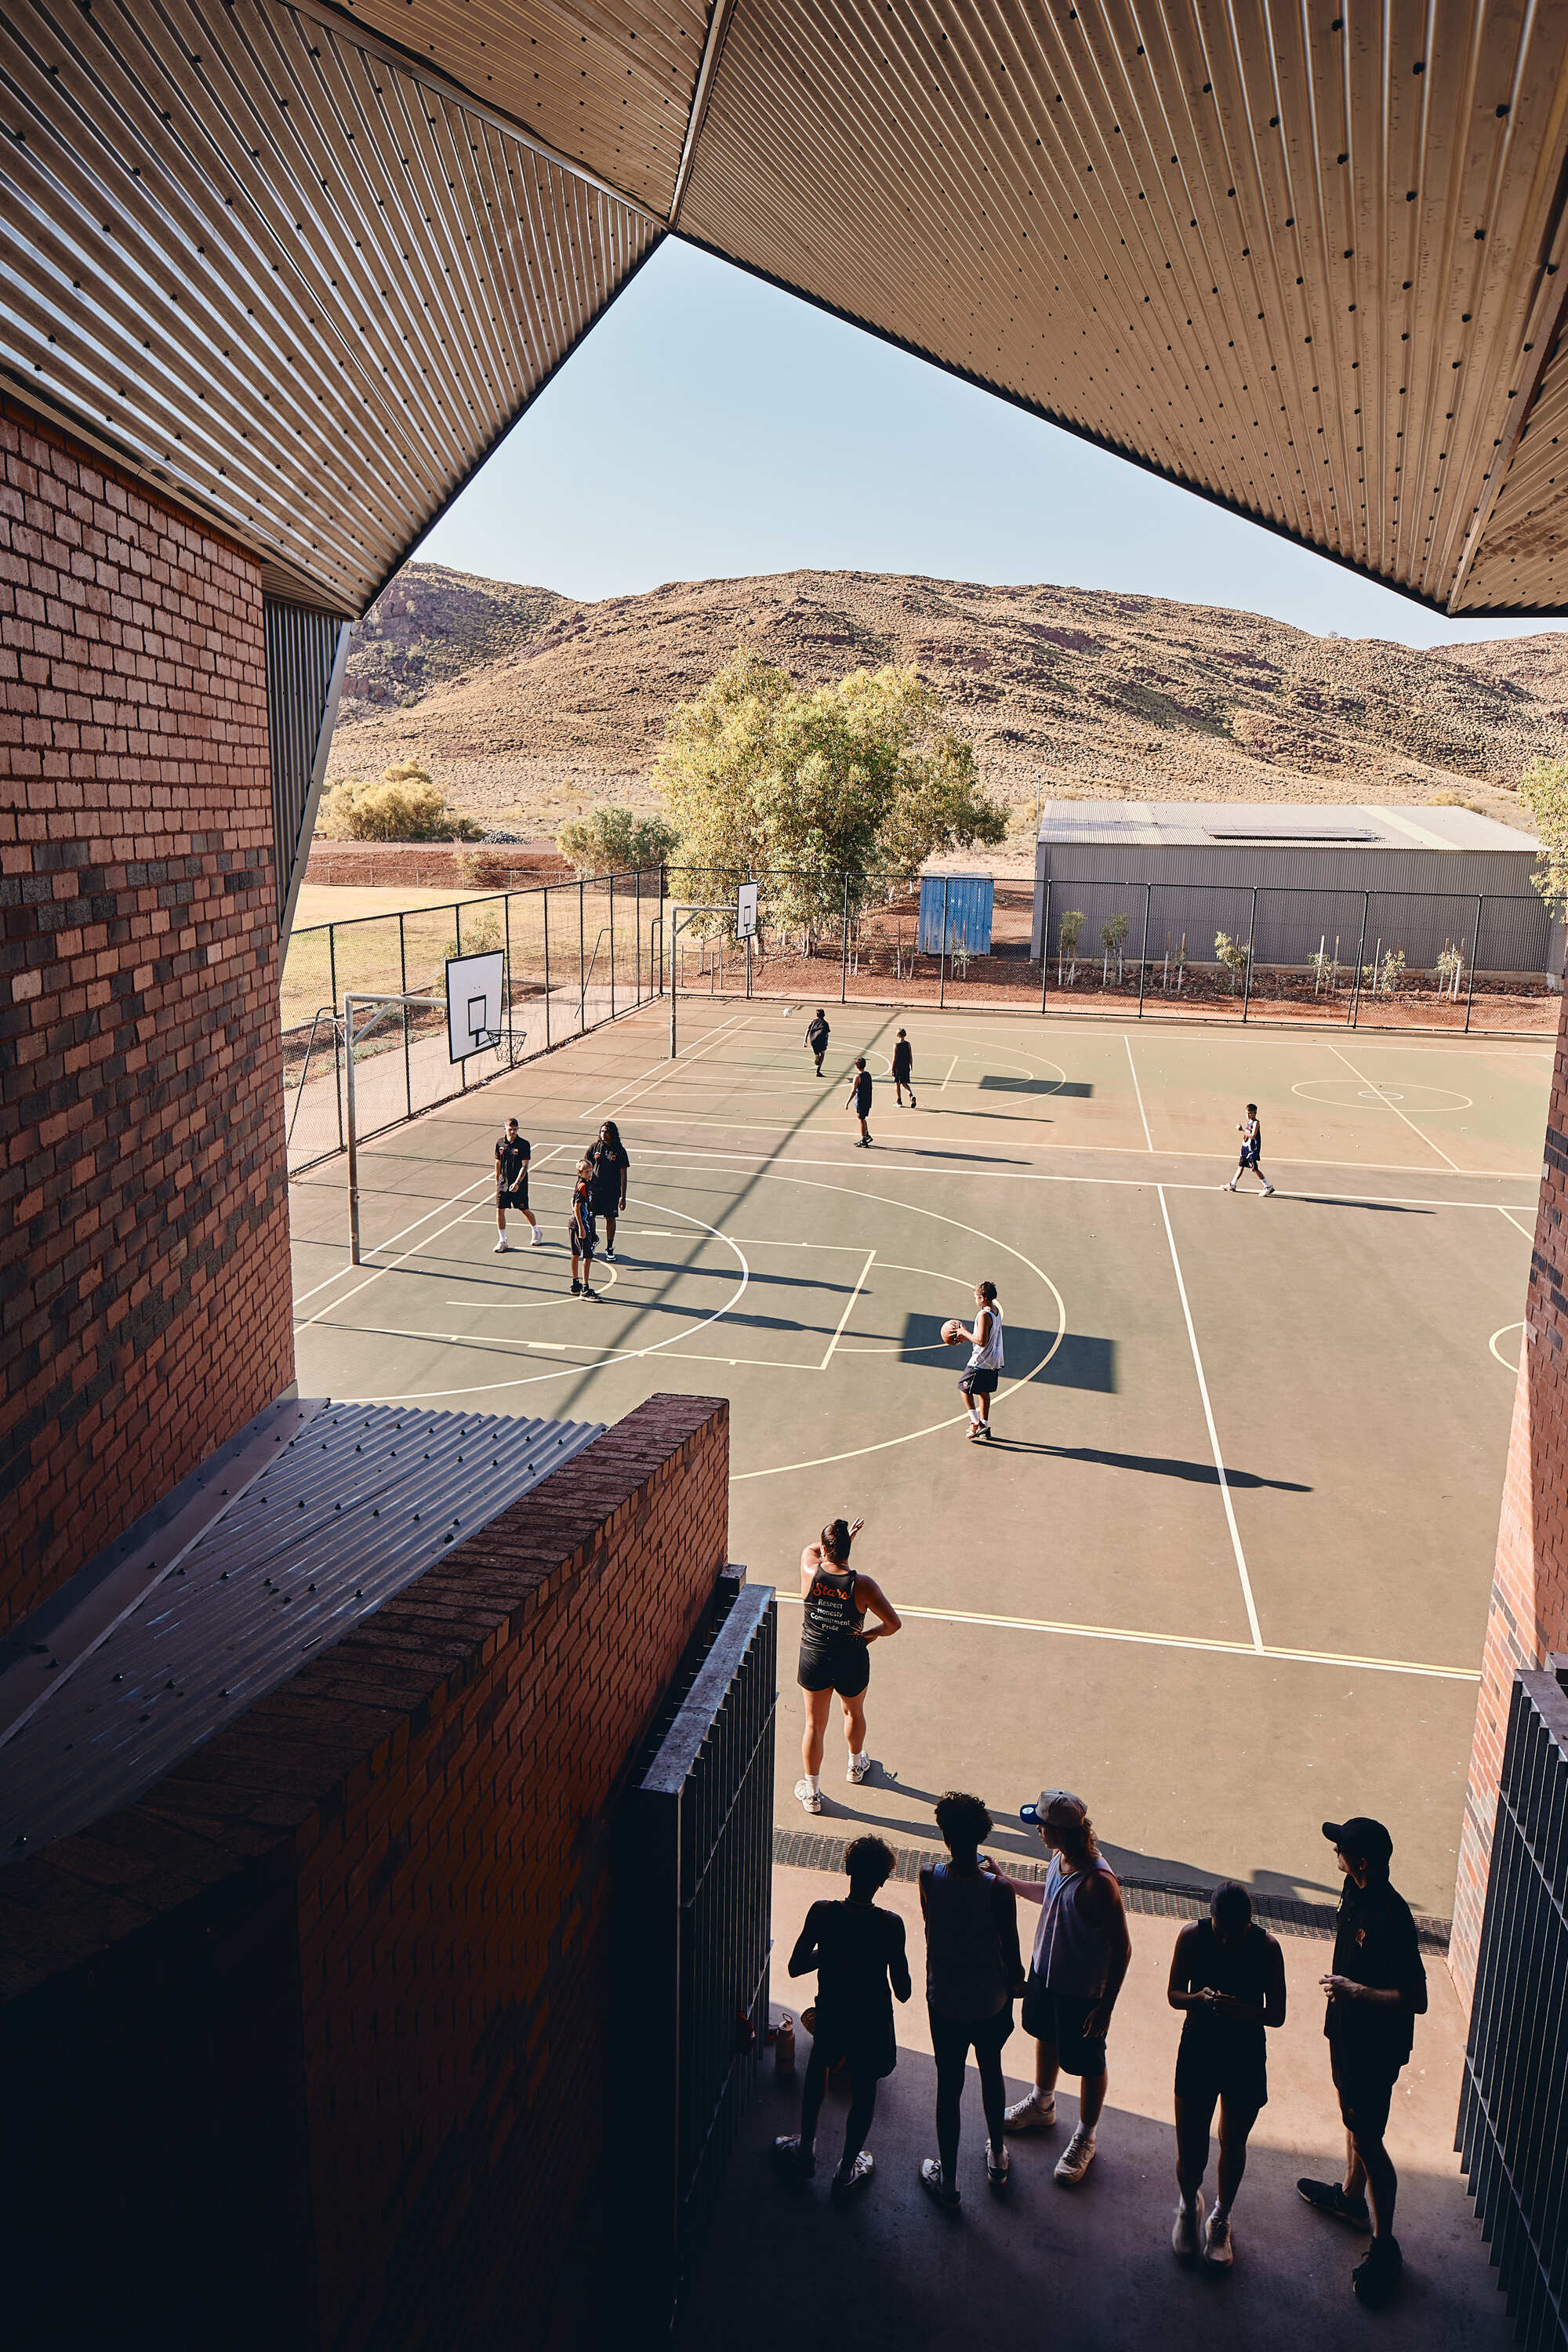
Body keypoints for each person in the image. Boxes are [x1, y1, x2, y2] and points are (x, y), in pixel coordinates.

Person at [1298, 1817, 1428, 2308]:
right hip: (1346, 2035)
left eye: (1342, 1850)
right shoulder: (1352, 1892)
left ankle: (1385, 2244)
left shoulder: (1393, 1917)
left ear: (1362, 1862)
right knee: (1351, 2117)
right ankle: (1352, 2200)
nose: (1336, 1855)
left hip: (1375, 2048)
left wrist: (1356, 1992)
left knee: (1370, 2140)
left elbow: (1416, 1998)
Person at [997, 1788, 1131, 2187]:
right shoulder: (1059, 1859)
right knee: (1044, 2035)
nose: (1036, 1832)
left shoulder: (1099, 1883)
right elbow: (1050, 1896)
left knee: (1089, 2062)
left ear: (1057, 1831)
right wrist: (1008, 1882)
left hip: (1082, 1990)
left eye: (1040, 1826)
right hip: (1046, 1975)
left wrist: (1106, 2006)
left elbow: (1122, 1947)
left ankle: (1085, 2135)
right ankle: (1042, 2103)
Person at [774, 1835, 911, 2197]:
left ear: (847, 1868)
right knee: (865, 2090)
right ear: (883, 1881)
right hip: (871, 2020)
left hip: (832, 2012)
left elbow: (795, 1966)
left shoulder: (824, 1912)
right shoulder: (890, 1924)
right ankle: (847, 2169)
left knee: (818, 2071)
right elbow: (903, 1990)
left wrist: (831, 1951)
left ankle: (805, 2151)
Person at [1168, 1882, 1287, 2270]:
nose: (1224, 1940)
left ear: (1249, 1924)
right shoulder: (1191, 1936)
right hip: (1198, 2047)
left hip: (1244, 2055)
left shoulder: (1268, 1949)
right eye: (1219, 1930)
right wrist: (1199, 1999)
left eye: (1233, 1934)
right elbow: (1173, 1994)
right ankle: (1189, 2205)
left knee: (1233, 2142)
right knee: (1190, 2145)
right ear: (1210, 1915)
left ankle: (1220, 2216)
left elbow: (1277, 2015)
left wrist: (1242, 2010)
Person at [916, 1791, 1024, 2211]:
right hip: (989, 2000)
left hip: (945, 1998)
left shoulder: (929, 1876)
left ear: (945, 1835)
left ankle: (949, 2180)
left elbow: (933, 1923)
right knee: (991, 2070)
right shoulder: (998, 1890)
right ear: (983, 1835)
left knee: (949, 2086)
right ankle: (997, 2155)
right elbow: (1011, 1955)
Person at [793, 1518, 901, 1814]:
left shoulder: (809, 1569)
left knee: (815, 1724)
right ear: (848, 1548)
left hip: (814, 1658)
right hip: (851, 1658)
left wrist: (837, 1541)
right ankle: (855, 1766)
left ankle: (812, 1793)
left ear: (825, 1548)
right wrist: (869, 1636)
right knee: (853, 1711)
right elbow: (893, 1624)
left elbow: (811, 1548)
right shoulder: (862, 1585)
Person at [954, 1279, 1004, 1442]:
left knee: (964, 1388)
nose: (975, 1300)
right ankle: (985, 1425)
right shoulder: (996, 1311)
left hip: (981, 1360)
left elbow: (981, 1341)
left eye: (976, 1297)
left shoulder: (983, 1315)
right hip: (994, 1359)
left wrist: (964, 1333)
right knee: (983, 1392)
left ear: (982, 1298)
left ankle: (976, 1423)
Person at [493, 1117, 542, 1251]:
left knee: (524, 1209)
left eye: (515, 1129)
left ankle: (536, 1231)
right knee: (500, 1210)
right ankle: (503, 1240)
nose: (513, 1132)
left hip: (519, 1184)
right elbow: (498, 1162)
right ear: (505, 1129)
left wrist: (517, 1183)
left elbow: (525, 1166)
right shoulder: (500, 1143)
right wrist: (497, 1179)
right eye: (510, 1129)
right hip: (503, 1183)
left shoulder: (524, 1144)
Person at [587, 1119, 630, 1260]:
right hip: (595, 1189)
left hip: (611, 1191)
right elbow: (585, 1167)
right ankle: (593, 1240)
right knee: (590, 1215)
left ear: (613, 1134)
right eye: (602, 1131)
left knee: (610, 1218)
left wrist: (623, 1196)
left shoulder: (619, 1150)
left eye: (607, 1132)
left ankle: (610, 1247)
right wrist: (583, 1186)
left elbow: (623, 1173)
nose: (604, 1134)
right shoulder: (594, 1147)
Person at [568, 1156, 599, 1299]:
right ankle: (585, 1289)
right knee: (587, 1255)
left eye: (590, 1170)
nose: (589, 1173)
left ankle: (575, 1285)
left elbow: (572, 1200)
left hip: (580, 1223)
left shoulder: (587, 1183)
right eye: (586, 1171)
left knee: (575, 1253)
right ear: (579, 1173)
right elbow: (577, 1206)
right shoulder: (583, 1186)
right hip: (581, 1225)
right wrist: (582, 1227)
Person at [1226, 1102, 1274, 1195]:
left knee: (1254, 1168)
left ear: (1255, 1113)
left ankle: (1268, 1187)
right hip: (1246, 1149)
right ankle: (1232, 1184)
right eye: (1246, 1113)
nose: (1248, 1115)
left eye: (1250, 1113)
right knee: (1241, 1166)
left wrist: (1241, 1131)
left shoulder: (1256, 1123)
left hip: (1252, 1150)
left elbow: (1252, 1136)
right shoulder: (1249, 1122)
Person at [846, 1055, 874, 1146]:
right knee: (861, 1117)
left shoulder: (857, 1077)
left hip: (861, 1100)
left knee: (861, 1119)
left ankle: (863, 1140)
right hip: (868, 1099)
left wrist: (847, 1102)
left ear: (856, 1066)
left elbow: (853, 1091)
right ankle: (867, 1134)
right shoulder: (868, 1075)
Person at [891, 1028, 916, 1108]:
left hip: (898, 1067)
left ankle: (899, 1101)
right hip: (906, 1066)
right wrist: (911, 1065)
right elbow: (910, 1056)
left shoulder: (896, 1045)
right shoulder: (908, 1044)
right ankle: (911, 1095)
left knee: (897, 1084)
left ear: (898, 1035)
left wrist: (892, 1068)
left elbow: (894, 1058)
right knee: (905, 1083)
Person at [807, 1008, 831, 1077]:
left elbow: (807, 1030)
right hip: (821, 1040)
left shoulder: (814, 1021)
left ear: (816, 1015)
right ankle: (818, 1071)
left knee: (817, 1051)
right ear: (824, 1015)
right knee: (822, 1054)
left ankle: (817, 1055)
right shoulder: (825, 1023)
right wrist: (826, 1042)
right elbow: (826, 1034)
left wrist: (805, 1040)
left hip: (813, 1040)